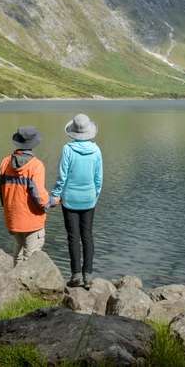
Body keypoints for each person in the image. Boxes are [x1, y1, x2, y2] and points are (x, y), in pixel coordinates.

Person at [50, 113, 103, 287]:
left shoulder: (67, 149)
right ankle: (88, 275)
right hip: (89, 199)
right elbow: (98, 179)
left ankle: (76, 275)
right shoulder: (96, 150)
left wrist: (56, 194)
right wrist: (94, 195)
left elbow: (62, 177)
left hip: (70, 199)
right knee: (87, 235)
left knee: (73, 237)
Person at [0, 126, 54, 263]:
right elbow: (40, 198)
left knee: (18, 253)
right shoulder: (36, 165)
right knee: (31, 259)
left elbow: (1, 192)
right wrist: (52, 202)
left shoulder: (5, 162)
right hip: (32, 221)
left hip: (13, 218)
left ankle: (15, 275)